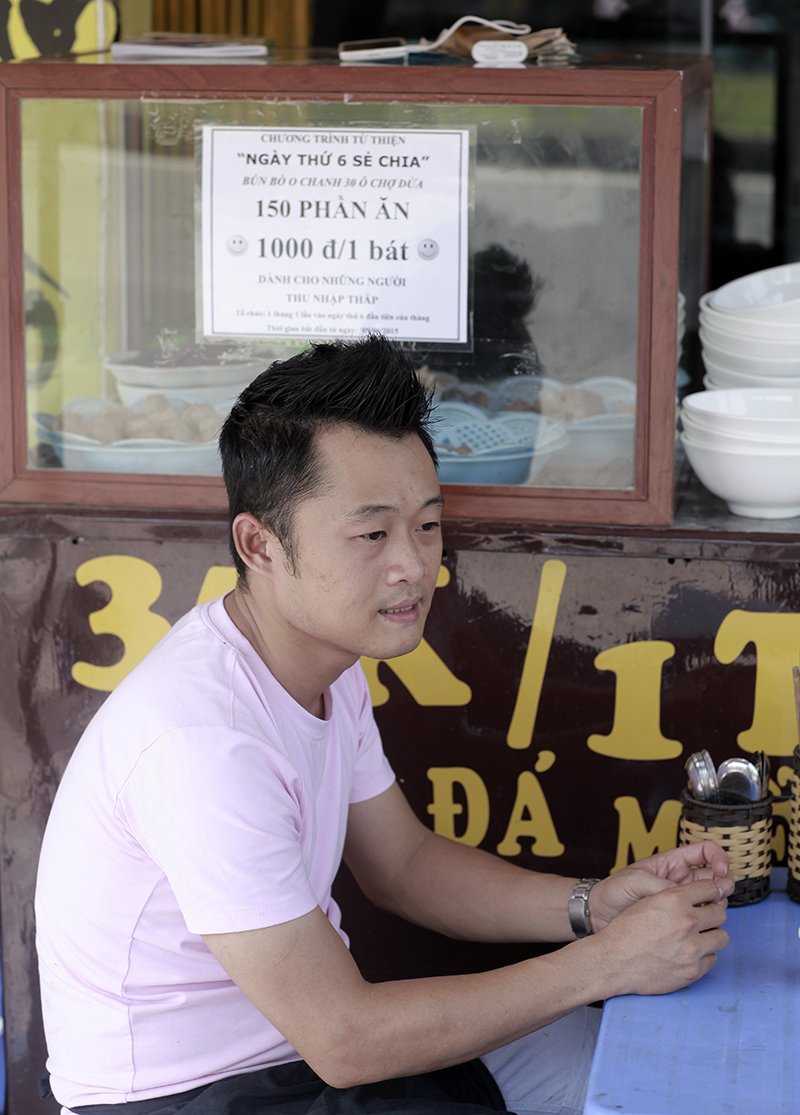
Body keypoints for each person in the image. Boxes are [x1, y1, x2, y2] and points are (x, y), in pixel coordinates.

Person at [35, 334, 733, 1115]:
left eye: (427, 525)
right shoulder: (203, 742)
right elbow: (346, 1039)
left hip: (304, 1060)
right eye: (372, 534)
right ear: (258, 543)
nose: (413, 564)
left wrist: (593, 905)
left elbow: (402, 865)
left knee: (625, 1069)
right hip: (195, 1097)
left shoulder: (326, 663)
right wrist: (608, 962)